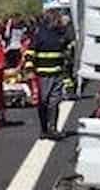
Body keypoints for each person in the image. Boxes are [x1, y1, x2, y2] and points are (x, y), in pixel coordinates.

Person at [26, 10, 74, 139]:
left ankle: (52, 128)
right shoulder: (40, 34)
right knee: (43, 102)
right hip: (43, 75)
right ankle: (44, 129)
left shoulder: (61, 34)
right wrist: (29, 70)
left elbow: (67, 49)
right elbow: (30, 53)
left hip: (57, 73)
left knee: (55, 101)